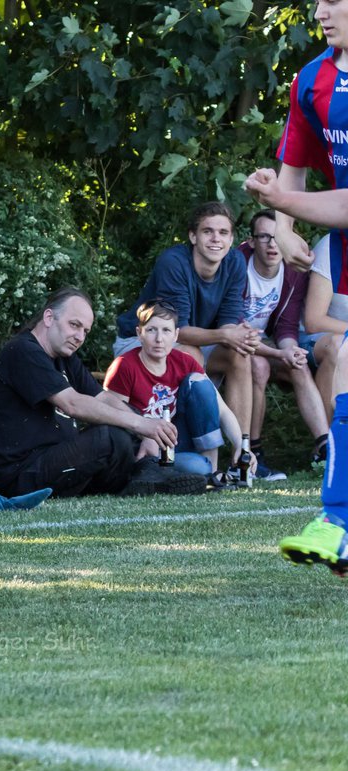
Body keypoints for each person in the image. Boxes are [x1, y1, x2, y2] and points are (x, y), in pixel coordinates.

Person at [243, 0, 348, 570]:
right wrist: (282, 231)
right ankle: (339, 521)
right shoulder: (313, 79)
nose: (321, 9)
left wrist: (281, 205)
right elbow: (297, 164)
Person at [0, 289, 206, 499]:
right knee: (109, 436)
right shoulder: (22, 351)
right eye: (74, 325)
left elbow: (103, 398)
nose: (80, 336)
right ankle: (148, 478)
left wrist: (144, 428)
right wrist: (139, 425)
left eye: (85, 331)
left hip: (60, 463)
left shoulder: (64, 357)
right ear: (49, 317)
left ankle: (147, 480)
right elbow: (73, 403)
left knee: (122, 430)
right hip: (22, 476)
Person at [113, 202, 257, 442]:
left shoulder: (235, 262)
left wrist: (240, 336)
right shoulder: (174, 262)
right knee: (189, 355)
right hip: (142, 340)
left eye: (223, 233)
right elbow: (177, 331)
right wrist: (225, 336)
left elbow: (228, 322)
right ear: (193, 236)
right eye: (207, 231)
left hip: (193, 342)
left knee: (240, 354)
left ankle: (242, 453)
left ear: (231, 239)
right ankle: (187, 444)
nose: (215, 239)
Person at [102, 301, 242, 484]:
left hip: (177, 442)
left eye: (166, 330)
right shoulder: (124, 365)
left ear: (176, 335)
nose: (159, 339)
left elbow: (220, 408)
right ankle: (184, 474)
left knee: (200, 384)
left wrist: (240, 445)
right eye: (151, 330)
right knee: (196, 468)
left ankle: (211, 472)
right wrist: (144, 434)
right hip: (145, 446)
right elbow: (110, 411)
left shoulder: (185, 362)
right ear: (139, 334)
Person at [239, 209, 327, 478]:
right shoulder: (236, 263)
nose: (272, 244)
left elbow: (286, 325)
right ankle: (253, 453)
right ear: (251, 241)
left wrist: (289, 350)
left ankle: (326, 448)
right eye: (264, 237)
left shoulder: (294, 271)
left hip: (264, 341)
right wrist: (278, 351)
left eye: (277, 237)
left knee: (297, 364)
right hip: (230, 337)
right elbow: (234, 324)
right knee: (259, 366)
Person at [302, 233, 344, 447]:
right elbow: (313, 321)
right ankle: (332, 447)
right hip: (313, 342)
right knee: (338, 346)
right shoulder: (333, 246)